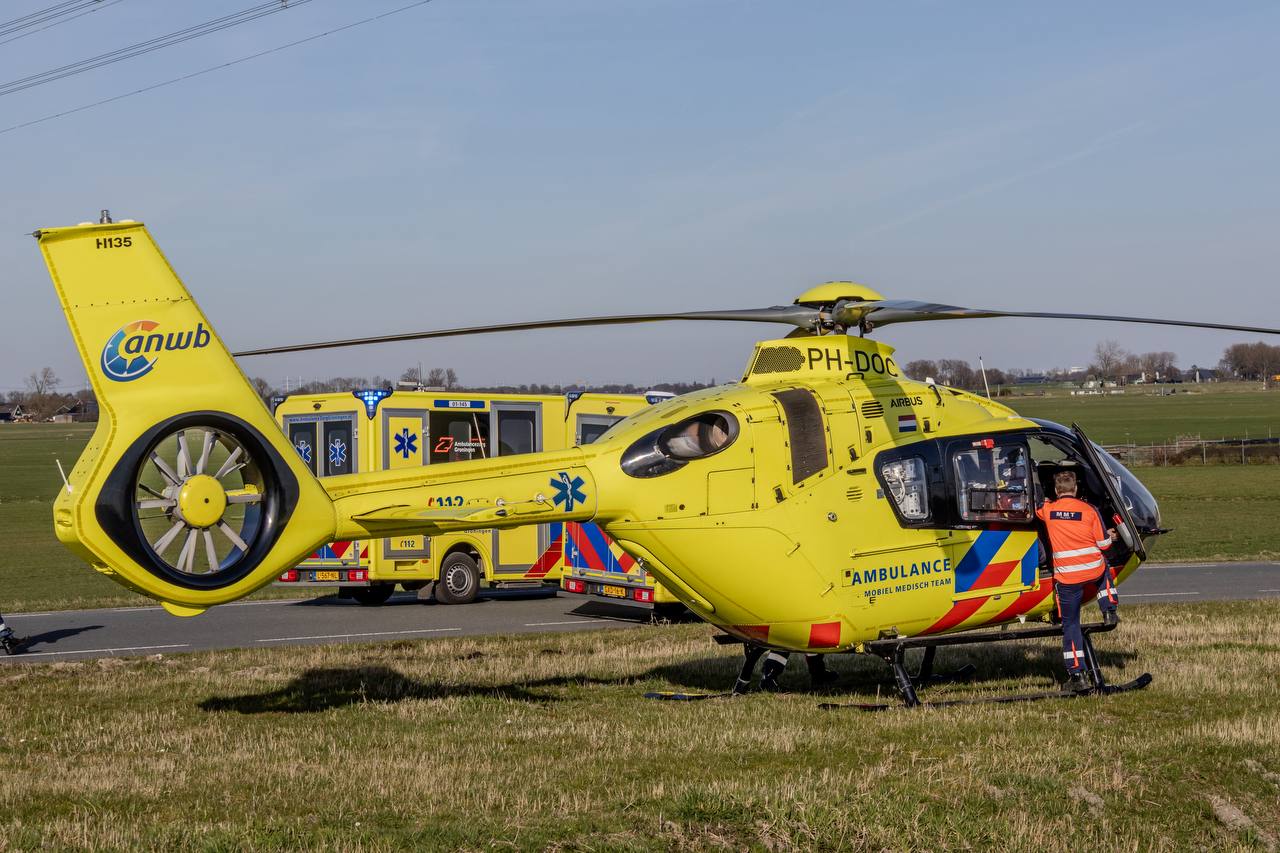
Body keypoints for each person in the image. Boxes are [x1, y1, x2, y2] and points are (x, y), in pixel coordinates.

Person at [1035, 468, 1118, 693]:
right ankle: (1109, 609)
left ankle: (1077, 674)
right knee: (1105, 570)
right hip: (1092, 570)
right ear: (1076, 488)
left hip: (1067, 579)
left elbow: (1036, 507)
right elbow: (1104, 546)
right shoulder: (1089, 510)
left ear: (1056, 490)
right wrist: (1110, 535)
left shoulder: (1049, 510)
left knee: (1071, 625)